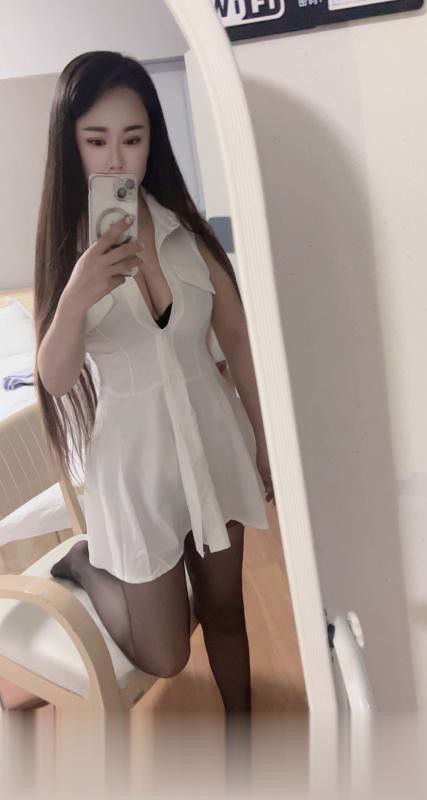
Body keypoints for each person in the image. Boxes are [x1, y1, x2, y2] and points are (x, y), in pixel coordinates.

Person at [35, 51, 275, 717]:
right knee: (166, 654)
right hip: (133, 468)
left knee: (226, 608)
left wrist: (264, 444)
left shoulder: (183, 232)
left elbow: (237, 339)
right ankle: (86, 564)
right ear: (70, 145)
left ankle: (244, 737)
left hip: (214, 441)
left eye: (132, 138)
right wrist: (76, 296)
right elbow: (56, 379)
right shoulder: (69, 252)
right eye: (96, 140)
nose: (116, 158)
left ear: (152, 143)